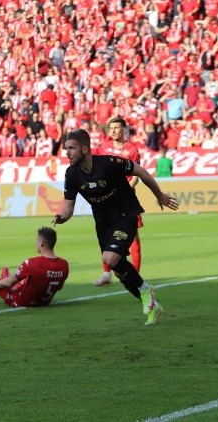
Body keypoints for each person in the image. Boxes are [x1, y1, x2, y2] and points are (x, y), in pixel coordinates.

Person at [53, 129, 180, 325]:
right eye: (66, 149)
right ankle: (152, 303)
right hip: (103, 222)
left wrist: (159, 195)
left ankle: (146, 291)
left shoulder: (109, 163)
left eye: (71, 148)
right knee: (120, 271)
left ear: (85, 149)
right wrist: (63, 216)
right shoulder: (72, 174)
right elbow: (68, 207)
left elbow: (141, 171)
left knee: (109, 258)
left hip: (125, 214)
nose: (67, 153)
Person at [92, 117, 144, 286]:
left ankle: (134, 274)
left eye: (116, 128)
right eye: (111, 128)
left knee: (133, 236)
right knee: (106, 235)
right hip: (107, 200)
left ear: (124, 130)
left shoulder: (132, 150)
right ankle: (106, 274)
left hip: (126, 200)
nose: (113, 131)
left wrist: (124, 190)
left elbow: (136, 176)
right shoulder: (104, 147)